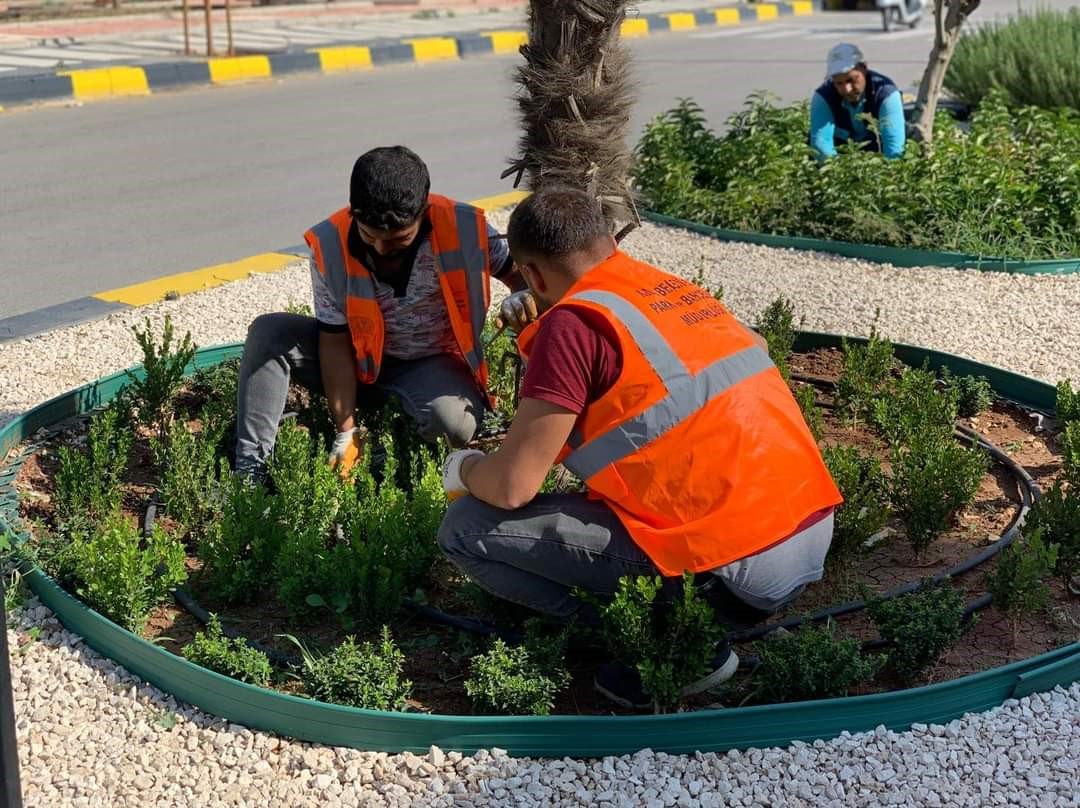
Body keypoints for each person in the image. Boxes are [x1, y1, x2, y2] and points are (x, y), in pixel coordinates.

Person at [436, 187, 843, 707]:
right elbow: (748, 354)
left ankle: (670, 647)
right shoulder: (671, 288)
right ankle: (689, 619)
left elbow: (514, 486)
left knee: (465, 528)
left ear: (532, 276)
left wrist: (465, 468)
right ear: (608, 242)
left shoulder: (572, 325)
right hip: (807, 531)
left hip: (733, 570)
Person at [234, 146, 537, 480]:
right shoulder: (330, 244)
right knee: (270, 332)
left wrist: (522, 294)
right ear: (354, 214)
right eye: (369, 237)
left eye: (398, 241)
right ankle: (250, 472)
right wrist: (345, 430)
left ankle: (388, 454)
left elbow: (518, 274)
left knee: (454, 423)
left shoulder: (466, 229)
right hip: (355, 361)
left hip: (430, 364)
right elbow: (333, 340)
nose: (381, 249)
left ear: (424, 212)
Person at [810, 43, 905, 160]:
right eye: (839, 83)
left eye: (851, 80)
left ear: (864, 68)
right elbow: (821, 143)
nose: (846, 89)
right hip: (842, 161)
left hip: (878, 158)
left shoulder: (886, 94)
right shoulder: (823, 96)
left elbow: (893, 147)